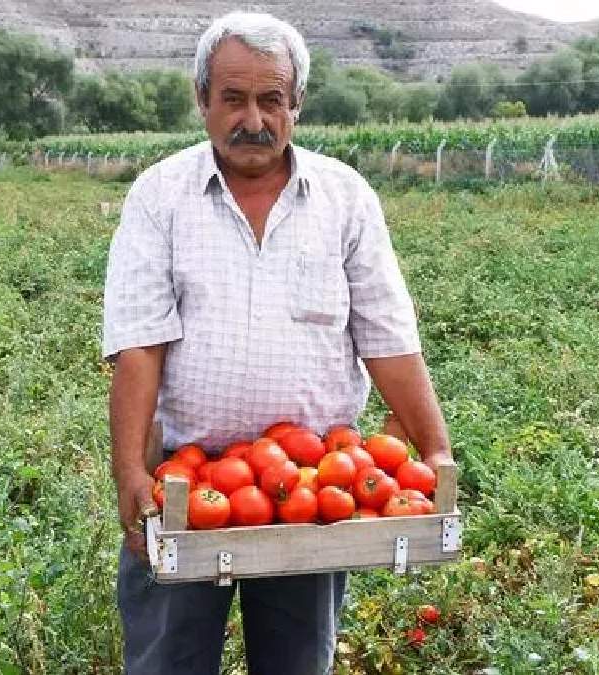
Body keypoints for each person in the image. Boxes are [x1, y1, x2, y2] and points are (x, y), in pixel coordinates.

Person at [101, 11, 452, 674]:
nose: (252, 119)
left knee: (297, 660)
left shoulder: (345, 198)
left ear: (297, 104)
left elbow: (388, 335)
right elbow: (139, 343)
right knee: (166, 658)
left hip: (318, 484)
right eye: (232, 98)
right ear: (202, 100)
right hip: (184, 476)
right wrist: (128, 469)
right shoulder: (160, 196)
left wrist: (434, 448)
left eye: (271, 100)